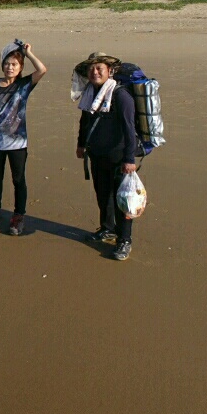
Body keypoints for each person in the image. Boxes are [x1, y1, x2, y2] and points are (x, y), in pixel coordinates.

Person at [0, 41, 47, 235]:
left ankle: (18, 215)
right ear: (2, 65)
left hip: (18, 143)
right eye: (7, 63)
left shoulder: (24, 85)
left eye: (14, 64)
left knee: (18, 179)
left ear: (21, 67)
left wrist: (28, 53)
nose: (10, 67)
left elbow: (42, 70)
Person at [74, 52, 139, 261]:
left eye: (99, 68)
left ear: (109, 71)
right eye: (91, 69)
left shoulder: (120, 95)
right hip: (97, 155)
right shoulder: (89, 94)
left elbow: (129, 129)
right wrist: (81, 144)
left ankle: (124, 240)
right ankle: (107, 229)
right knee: (103, 196)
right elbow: (84, 122)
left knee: (123, 201)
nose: (94, 72)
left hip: (119, 159)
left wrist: (129, 159)